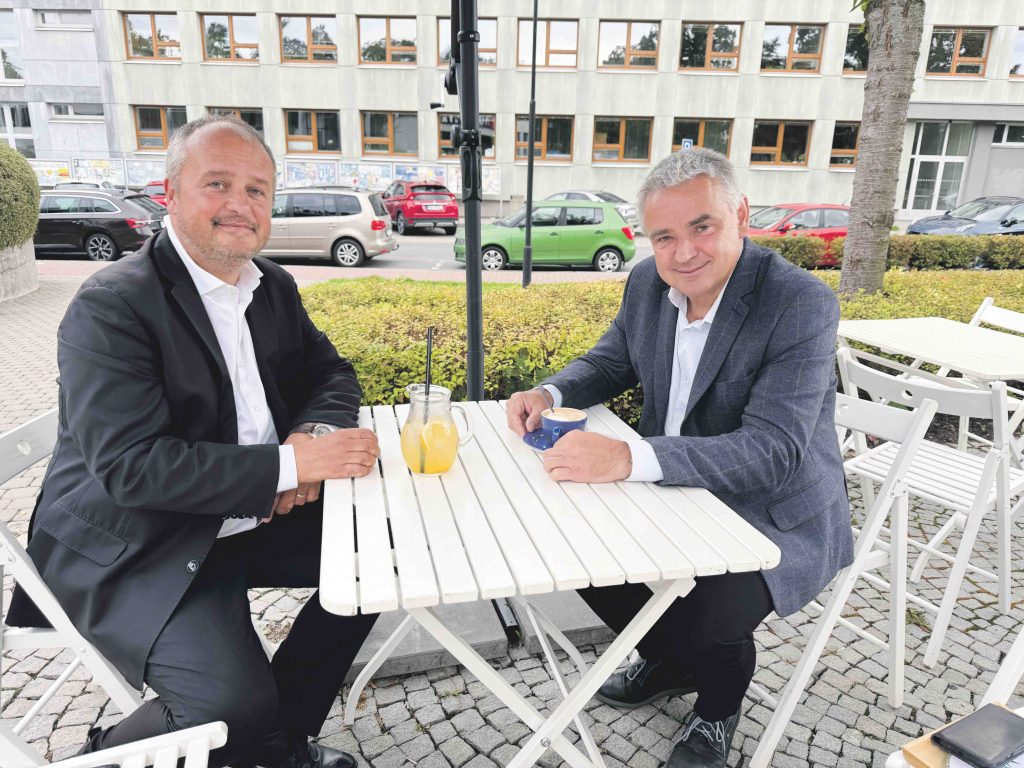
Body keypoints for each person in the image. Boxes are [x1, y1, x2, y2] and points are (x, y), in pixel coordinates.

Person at [8, 116, 380, 768]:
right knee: (229, 706)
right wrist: (286, 466)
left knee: (382, 558)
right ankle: (100, 760)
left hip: (245, 515)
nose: (241, 204)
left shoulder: (270, 286)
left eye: (257, 190)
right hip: (140, 540)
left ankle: (278, 743)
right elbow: (132, 469)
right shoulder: (112, 305)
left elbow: (331, 373)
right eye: (218, 183)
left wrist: (308, 439)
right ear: (171, 193)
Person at [507, 148, 852, 768]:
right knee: (580, 557)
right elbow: (612, 359)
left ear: (740, 215)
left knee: (710, 616)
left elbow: (774, 451)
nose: (683, 252)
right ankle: (669, 661)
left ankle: (717, 708)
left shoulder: (797, 302)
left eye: (702, 227)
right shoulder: (648, 282)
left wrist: (627, 458)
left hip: (768, 506)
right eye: (664, 236)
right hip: (671, 484)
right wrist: (550, 393)